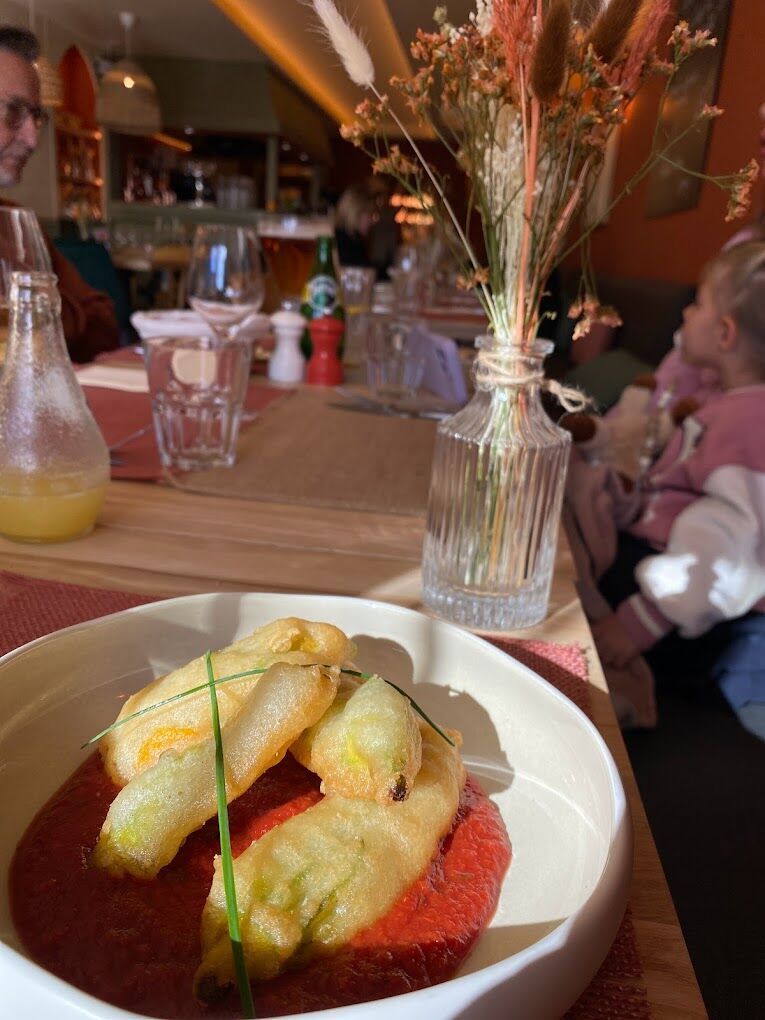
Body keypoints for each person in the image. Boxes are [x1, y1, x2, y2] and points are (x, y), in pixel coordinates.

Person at [591, 243, 765, 737]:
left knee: (580, 588)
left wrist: (636, 623)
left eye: (699, 303)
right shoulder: (724, 403)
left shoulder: (748, 423)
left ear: (726, 333)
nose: (686, 313)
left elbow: (728, 555)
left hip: (699, 620)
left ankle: (614, 695)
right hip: (679, 590)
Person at [0, 26, 118, 362]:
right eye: (13, 112)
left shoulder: (16, 226)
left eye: (37, 118)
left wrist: (34, 312)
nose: (33, 140)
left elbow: (104, 324)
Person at [333, 183, 377, 268]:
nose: (372, 221)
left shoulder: (352, 239)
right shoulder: (344, 246)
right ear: (356, 213)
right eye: (370, 215)